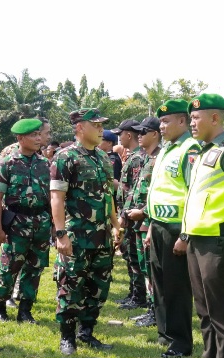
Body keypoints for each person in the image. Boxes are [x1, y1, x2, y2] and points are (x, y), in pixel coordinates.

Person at [50, 108, 121, 355]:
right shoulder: (65, 157)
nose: (102, 129)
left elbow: (108, 195)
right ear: (80, 127)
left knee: (98, 287)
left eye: (103, 125)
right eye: (97, 125)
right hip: (76, 235)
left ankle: (87, 332)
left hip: (102, 237)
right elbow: (57, 197)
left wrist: (116, 224)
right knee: (71, 286)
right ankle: (67, 337)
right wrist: (61, 234)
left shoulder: (103, 158)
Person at [182, 93, 224, 358]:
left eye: (196, 118)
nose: (192, 123)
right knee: (205, 311)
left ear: (216, 118)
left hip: (219, 242)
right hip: (198, 241)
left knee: (222, 313)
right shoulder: (203, 152)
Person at [146, 99, 200, 356]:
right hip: (158, 226)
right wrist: (150, 227)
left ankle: (180, 342)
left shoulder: (190, 150)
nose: (161, 126)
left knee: (177, 287)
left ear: (182, 121)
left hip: (175, 229)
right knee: (159, 283)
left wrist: (185, 234)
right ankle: (165, 332)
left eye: (166, 121)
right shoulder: (169, 149)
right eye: (160, 121)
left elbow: (194, 193)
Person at [0, 118, 50, 324]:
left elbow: (52, 197)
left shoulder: (45, 164)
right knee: (9, 267)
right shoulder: (7, 163)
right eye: (33, 135)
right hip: (16, 221)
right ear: (20, 138)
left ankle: (25, 310)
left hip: (40, 222)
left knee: (34, 269)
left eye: (39, 134)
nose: (38, 138)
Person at [122, 117, 162, 315]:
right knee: (145, 267)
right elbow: (134, 190)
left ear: (155, 134)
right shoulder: (146, 157)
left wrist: (144, 212)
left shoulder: (159, 158)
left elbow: (162, 194)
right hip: (139, 221)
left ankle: (156, 311)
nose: (139, 135)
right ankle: (151, 308)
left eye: (143, 132)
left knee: (152, 270)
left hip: (150, 221)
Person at [112, 119, 145, 308]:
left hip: (133, 216)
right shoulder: (132, 156)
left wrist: (126, 214)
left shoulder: (138, 158)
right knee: (129, 254)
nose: (119, 137)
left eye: (120, 134)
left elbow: (136, 190)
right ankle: (133, 293)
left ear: (129, 135)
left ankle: (138, 296)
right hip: (127, 214)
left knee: (134, 256)